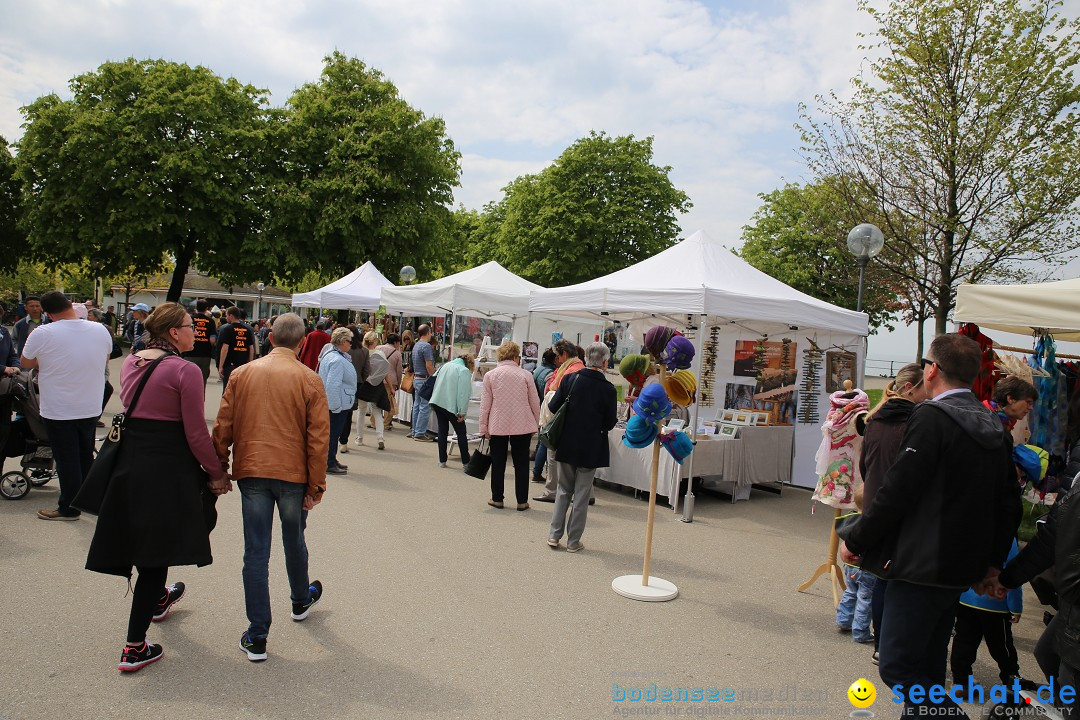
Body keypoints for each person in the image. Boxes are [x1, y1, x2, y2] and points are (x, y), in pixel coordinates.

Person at [838, 334, 1020, 719]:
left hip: (921, 562)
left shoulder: (932, 417)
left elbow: (897, 491)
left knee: (899, 667)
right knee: (928, 670)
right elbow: (1008, 504)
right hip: (958, 566)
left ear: (932, 369)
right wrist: (992, 562)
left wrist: (856, 536)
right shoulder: (993, 424)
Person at [85, 302, 231, 672]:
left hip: (131, 459)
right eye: (188, 325)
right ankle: (134, 646)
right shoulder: (185, 370)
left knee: (144, 538)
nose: (195, 330)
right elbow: (195, 432)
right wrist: (215, 471)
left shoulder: (134, 361)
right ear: (172, 332)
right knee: (156, 552)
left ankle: (158, 598)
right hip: (167, 465)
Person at [212, 313, 329, 663]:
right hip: (292, 475)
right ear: (302, 341)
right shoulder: (309, 379)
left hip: (252, 471)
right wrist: (316, 483)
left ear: (270, 337)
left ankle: (258, 633)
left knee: (256, 551)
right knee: (293, 536)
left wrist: (219, 466)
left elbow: (224, 425)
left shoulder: (242, 373)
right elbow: (318, 438)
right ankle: (298, 598)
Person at [20, 291, 113, 520]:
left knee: (66, 459)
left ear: (48, 314)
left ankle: (68, 507)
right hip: (90, 403)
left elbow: (25, 362)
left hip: (59, 406)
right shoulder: (100, 329)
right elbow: (106, 357)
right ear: (71, 304)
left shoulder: (43, 332)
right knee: (84, 456)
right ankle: (89, 501)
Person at [859, 362, 928, 664]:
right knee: (894, 580)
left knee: (880, 577)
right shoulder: (914, 423)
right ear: (912, 388)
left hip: (874, 505)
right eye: (926, 386)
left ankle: (880, 641)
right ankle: (890, 644)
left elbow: (865, 465)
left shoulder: (875, 419)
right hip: (900, 510)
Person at [545, 342, 616, 551]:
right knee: (582, 494)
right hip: (591, 446)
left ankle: (553, 535)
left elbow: (552, 406)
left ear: (586, 359)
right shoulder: (608, 389)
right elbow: (610, 422)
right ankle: (573, 541)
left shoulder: (570, 378)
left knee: (563, 490)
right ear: (604, 362)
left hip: (567, 442)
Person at [950, 538, 1028, 693]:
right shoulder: (1007, 538)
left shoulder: (973, 529)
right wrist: (1015, 607)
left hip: (966, 599)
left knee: (964, 642)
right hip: (995, 604)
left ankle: (961, 683)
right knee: (1002, 646)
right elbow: (1013, 574)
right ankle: (1011, 681)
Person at [480, 341, 540, 511]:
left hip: (497, 423)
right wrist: (536, 423)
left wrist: (484, 427)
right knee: (521, 463)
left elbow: (485, 405)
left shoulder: (490, 375)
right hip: (522, 424)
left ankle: (497, 498)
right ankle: (522, 500)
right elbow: (535, 402)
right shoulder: (526, 375)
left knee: (498, 462)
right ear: (516, 357)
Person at [535, 339, 585, 503]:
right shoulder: (576, 368)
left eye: (558, 355)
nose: (556, 359)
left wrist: (550, 395)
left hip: (561, 420)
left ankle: (552, 492)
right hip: (571, 421)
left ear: (564, 354)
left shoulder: (570, 371)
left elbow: (556, 396)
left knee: (554, 458)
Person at [835, 487, 876, 644]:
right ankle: (860, 631)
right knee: (865, 599)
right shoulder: (869, 525)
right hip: (866, 568)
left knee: (850, 592)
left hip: (850, 566)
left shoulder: (850, 520)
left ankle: (843, 620)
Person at [318, 327, 356, 475]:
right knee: (333, 434)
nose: (351, 345)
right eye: (350, 342)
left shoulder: (332, 355)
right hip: (337, 404)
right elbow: (333, 385)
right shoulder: (337, 359)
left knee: (333, 434)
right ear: (343, 341)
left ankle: (331, 459)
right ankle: (329, 462)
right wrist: (335, 407)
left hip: (338, 402)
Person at [430, 352, 474, 469]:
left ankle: (442, 460)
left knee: (442, 431)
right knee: (461, 433)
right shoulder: (463, 371)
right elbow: (463, 394)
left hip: (438, 401)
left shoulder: (445, 365)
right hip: (451, 405)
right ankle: (466, 461)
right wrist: (462, 412)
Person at [355, 331, 391, 451]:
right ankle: (380, 437)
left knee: (361, 411)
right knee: (377, 412)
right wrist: (390, 387)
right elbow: (386, 372)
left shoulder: (362, 352)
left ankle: (359, 438)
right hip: (377, 385)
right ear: (375, 341)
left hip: (363, 385)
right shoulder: (380, 353)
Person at [530, 348, 557, 484]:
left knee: (542, 440)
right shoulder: (550, 374)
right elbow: (548, 393)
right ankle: (536, 472)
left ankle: (536, 469)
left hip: (539, 407)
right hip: (545, 408)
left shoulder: (539, 369)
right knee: (544, 442)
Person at [216, 306, 255, 392]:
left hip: (230, 364)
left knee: (227, 389)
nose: (226, 318)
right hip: (243, 365)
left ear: (231, 316)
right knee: (240, 390)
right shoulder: (247, 330)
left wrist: (220, 366)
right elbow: (251, 348)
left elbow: (225, 348)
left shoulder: (227, 329)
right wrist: (250, 363)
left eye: (226, 315)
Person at [181, 299, 217, 390]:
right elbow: (212, 340)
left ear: (196, 308)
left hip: (190, 353)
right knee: (202, 380)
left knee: (187, 379)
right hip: (205, 355)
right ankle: (200, 399)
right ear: (207, 309)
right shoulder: (211, 322)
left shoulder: (191, 319)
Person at [409, 324, 436, 441]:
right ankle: (420, 432)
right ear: (428, 332)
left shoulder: (416, 345)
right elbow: (429, 365)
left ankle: (415, 430)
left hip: (417, 378)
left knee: (417, 405)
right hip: (424, 378)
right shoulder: (426, 346)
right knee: (424, 406)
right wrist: (434, 376)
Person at [377, 333, 403, 431]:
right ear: (395, 342)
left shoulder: (378, 348)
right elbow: (399, 370)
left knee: (376, 401)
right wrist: (398, 383)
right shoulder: (397, 353)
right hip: (391, 381)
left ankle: (374, 422)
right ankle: (386, 423)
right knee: (389, 403)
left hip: (378, 378)